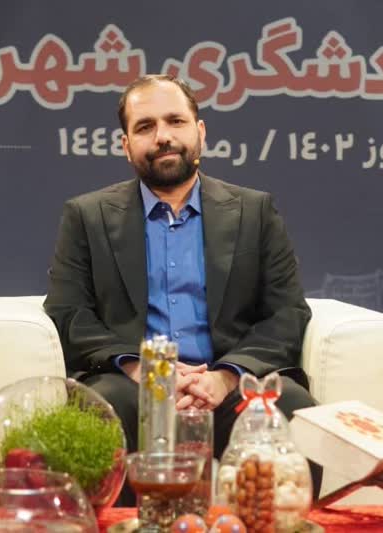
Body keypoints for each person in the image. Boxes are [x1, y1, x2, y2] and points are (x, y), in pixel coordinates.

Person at [44, 74, 320, 502]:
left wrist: (224, 377)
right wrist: (146, 371)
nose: (163, 136)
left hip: (228, 384)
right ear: (126, 145)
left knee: (291, 410)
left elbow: (286, 314)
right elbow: (69, 312)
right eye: (145, 126)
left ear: (200, 132)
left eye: (175, 121)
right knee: (104, 408)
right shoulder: (87, 216)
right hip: (132, 385)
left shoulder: (254, 211)